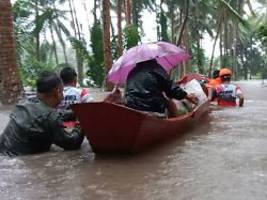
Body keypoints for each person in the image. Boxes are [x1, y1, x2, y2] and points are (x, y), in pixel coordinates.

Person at [0, 71, 84, 156]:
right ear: (57, 91)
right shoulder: (49, 116)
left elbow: (50, 116)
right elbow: (72, 143)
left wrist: (75, 112)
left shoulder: (24, 103)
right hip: (17, 159)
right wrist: (83, 121)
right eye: (62, 90)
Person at [124, 59, 198, 117]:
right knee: (168, 101)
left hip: (132, 109)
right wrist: (186, 96)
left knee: (164, 98)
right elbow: (171, 90)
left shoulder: (131, 72)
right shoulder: (155, 68)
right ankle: (174, 122)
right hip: (153, 109)